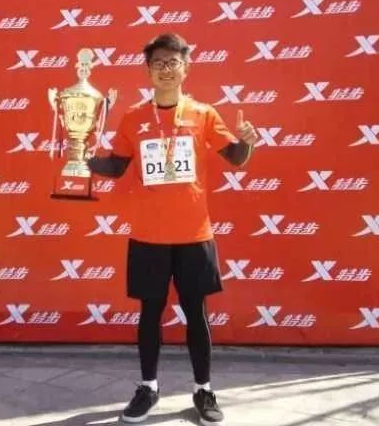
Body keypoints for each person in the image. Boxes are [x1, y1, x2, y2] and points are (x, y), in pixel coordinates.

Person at [87, 32, 259, 425]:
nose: (165, 70)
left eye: (172, 62)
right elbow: (116, 166)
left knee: (196, 313)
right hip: (148, 236)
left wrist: (247, 142)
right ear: (148, 71)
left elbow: (236, 157)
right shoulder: (133, 118)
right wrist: (82, 159)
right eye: (158, 64)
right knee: (150, 313)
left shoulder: (203, 114)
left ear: (186, 68)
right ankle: (148, 387)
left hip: (194, 234)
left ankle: (203, 389)